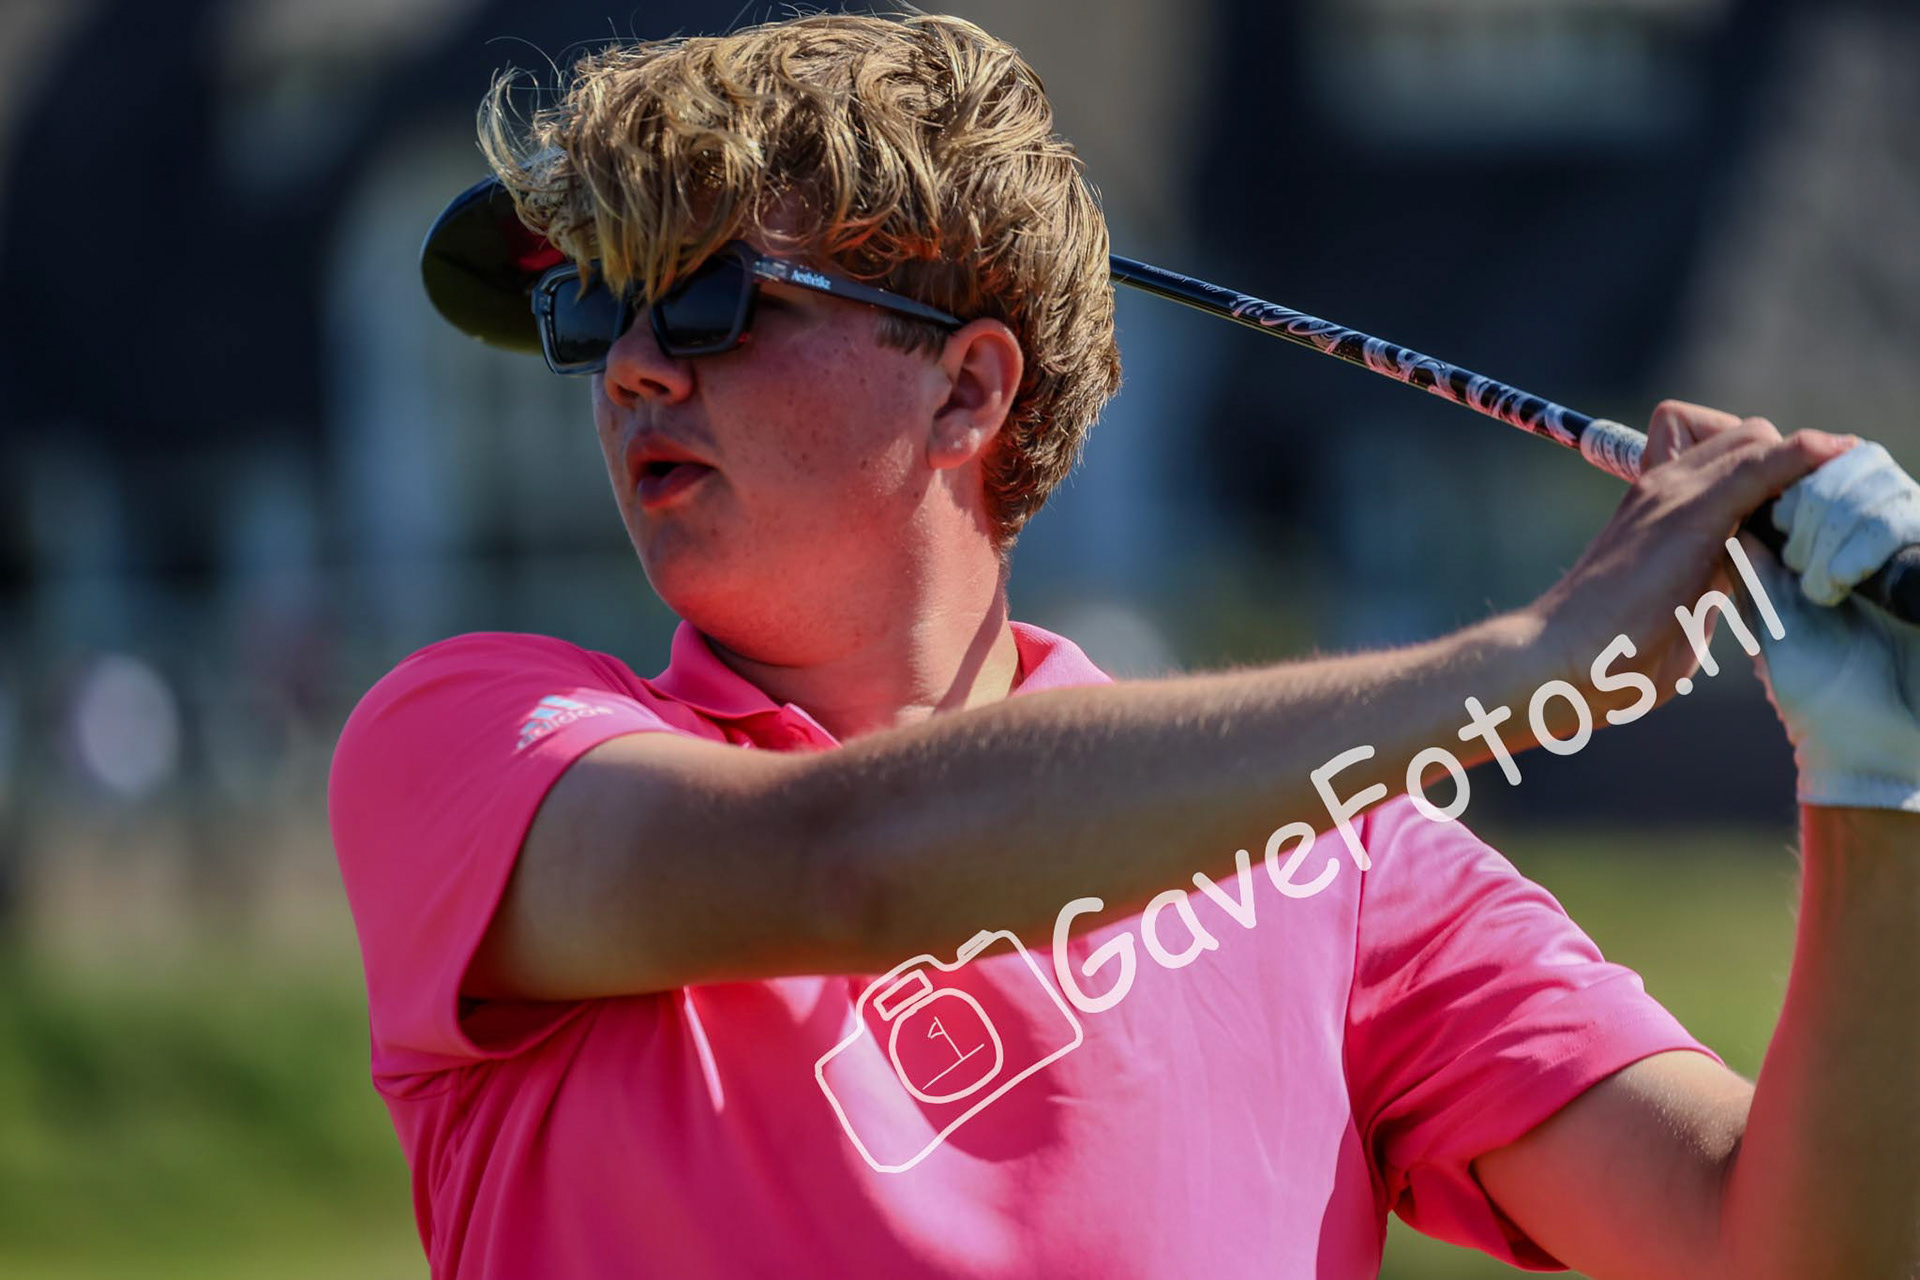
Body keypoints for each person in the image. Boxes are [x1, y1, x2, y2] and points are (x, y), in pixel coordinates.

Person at [329, 11, 1920, 1278]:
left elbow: (1782, 1250)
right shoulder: (470, 736)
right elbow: (847, 866)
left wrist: (1880, 790)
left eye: (708, 301)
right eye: (595, 313)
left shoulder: (1349, 862)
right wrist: (1532, 658)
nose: (632, 370)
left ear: (968, 388)